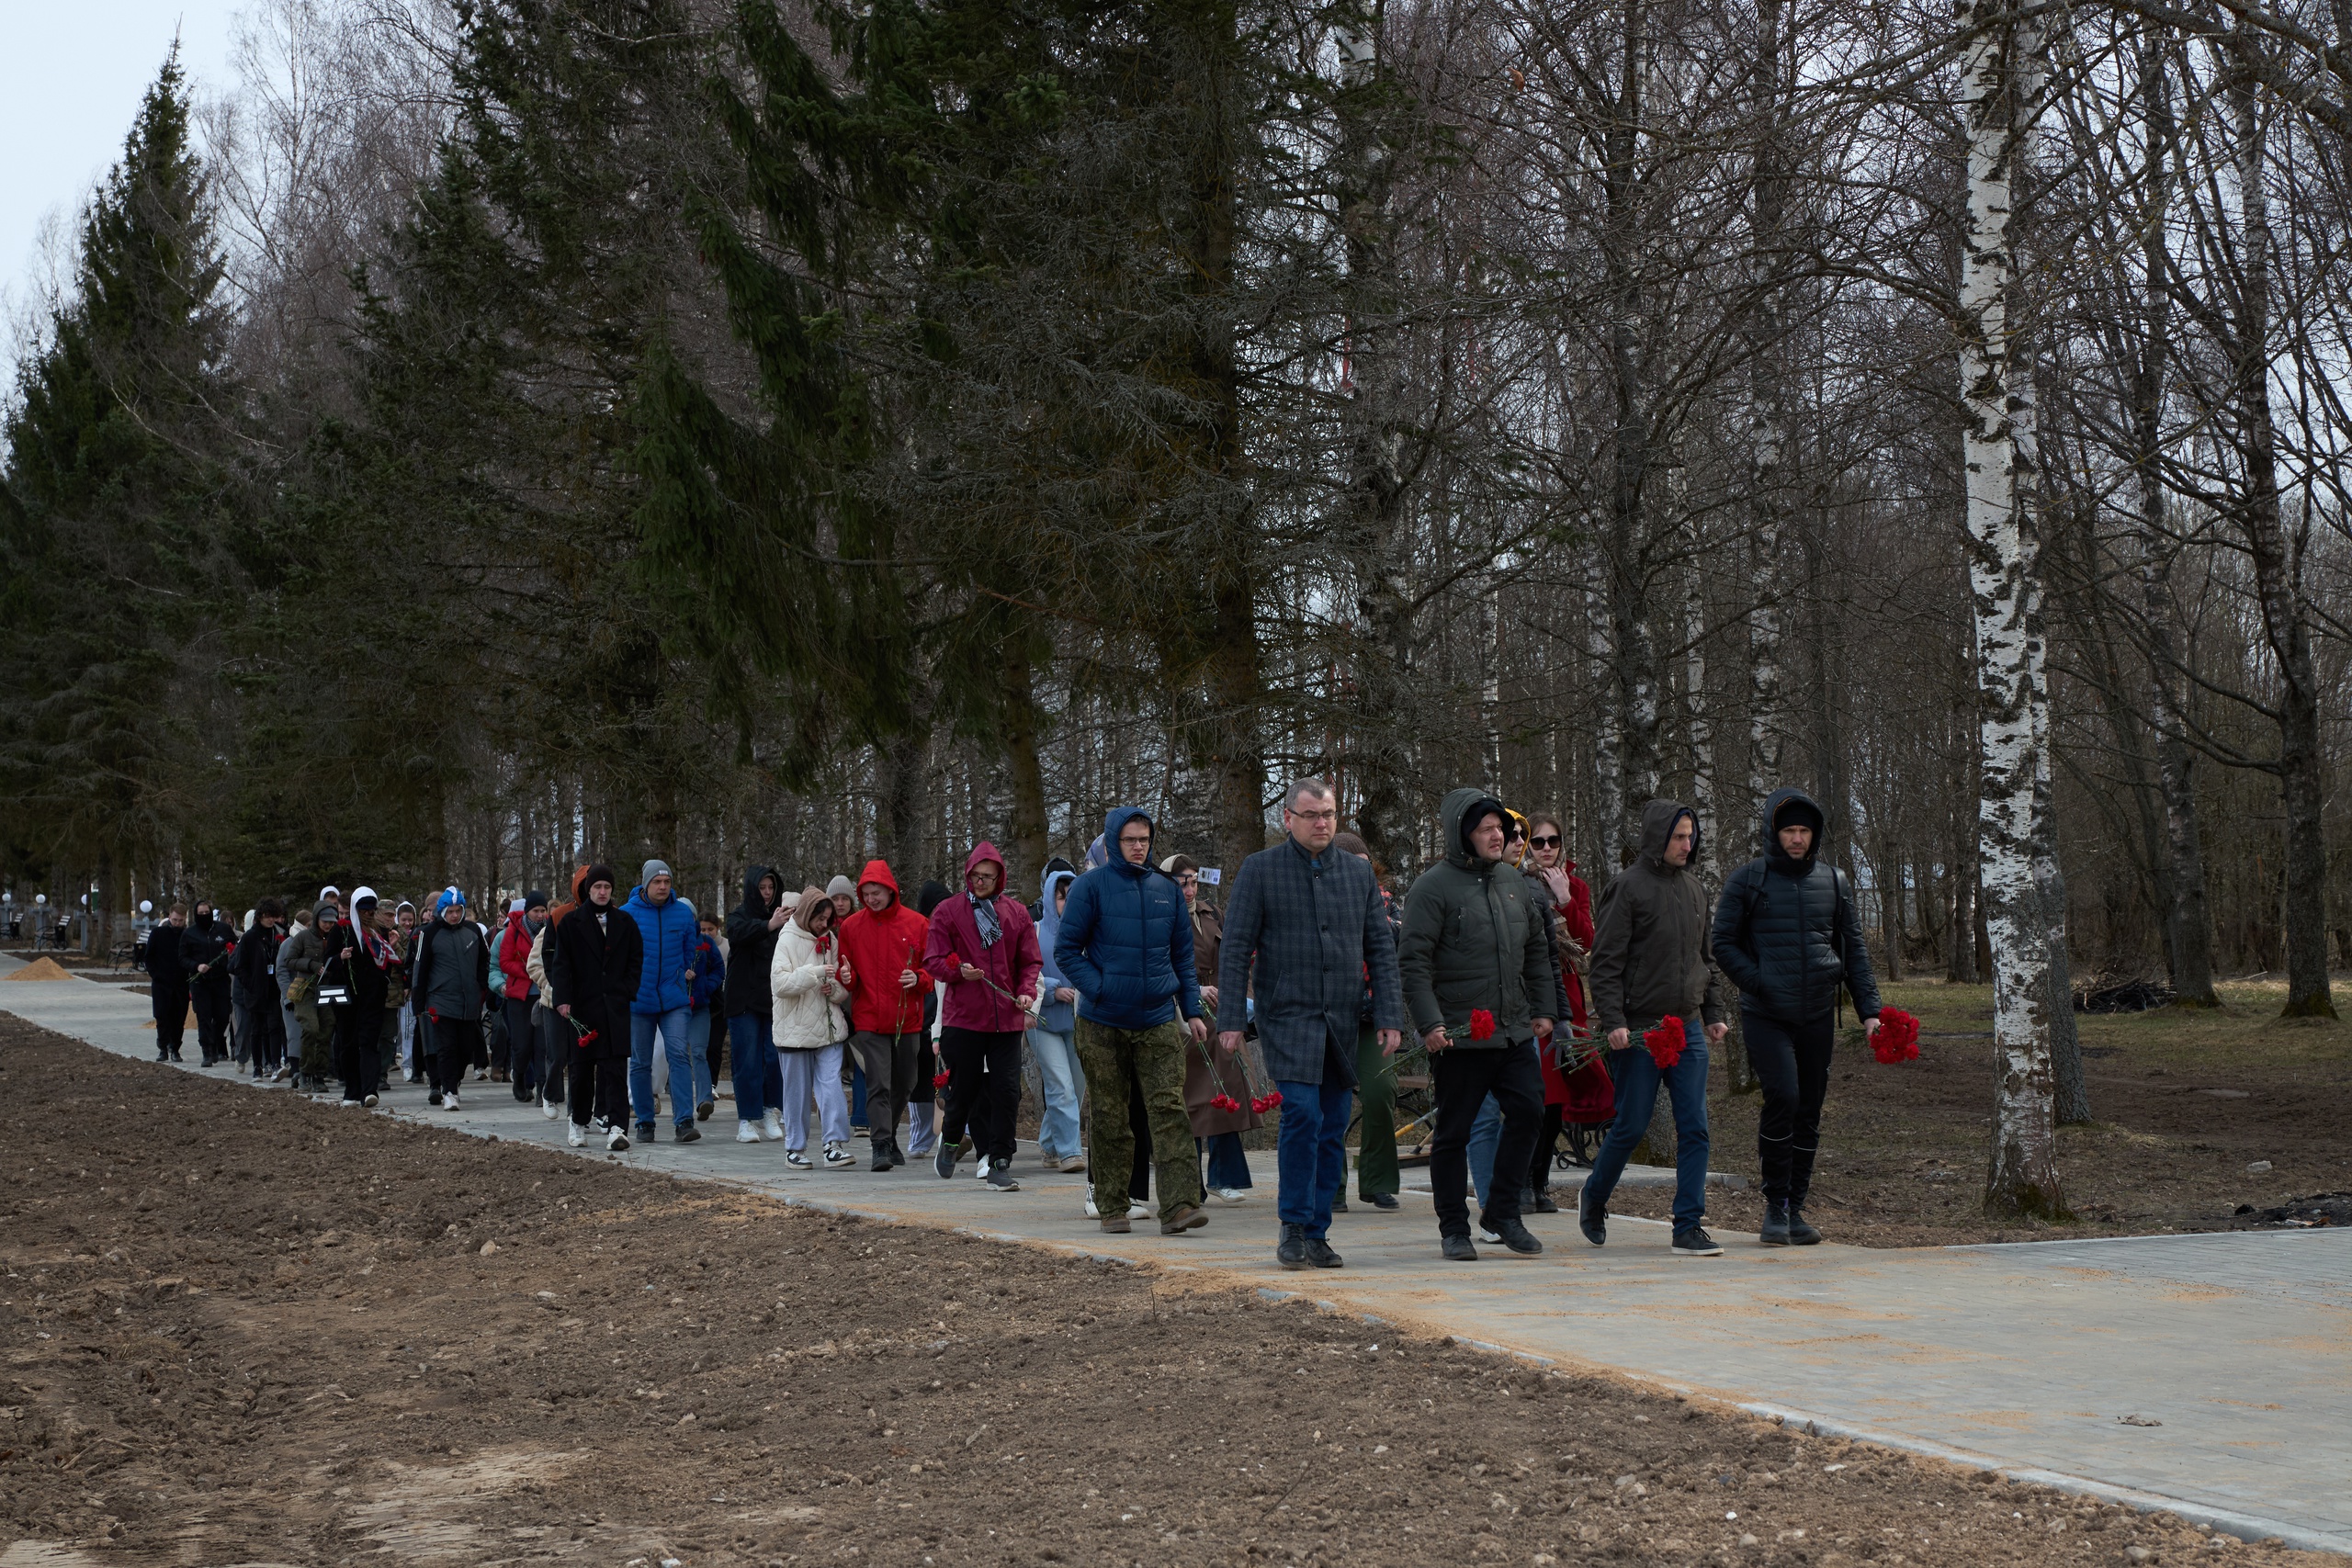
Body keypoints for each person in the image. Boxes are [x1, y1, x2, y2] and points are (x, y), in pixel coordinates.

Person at [1219, 781, 1405, 1269]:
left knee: (1333, 1124)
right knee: (1302, 1114)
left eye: (1329, 814)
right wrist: (1231, 1019)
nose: (1322, 823)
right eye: (1311, 815)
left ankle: (1318, 1232)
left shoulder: (1357, 875)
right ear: (1288, 818)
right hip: (1288, 1015)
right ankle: (1294, 1224)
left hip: (1342, 1019)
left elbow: (1380, 948)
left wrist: (1389, 1015)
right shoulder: (1261, 870)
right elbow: (1235, 947)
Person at [1712, 787, 1883, 1246]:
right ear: (1774, 832)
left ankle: (1795, 1208)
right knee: (1783, 1097)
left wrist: (1870, 1011)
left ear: (1815, 834)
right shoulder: (1748, 880)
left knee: (1808, 1109)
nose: (1797, 838)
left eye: (1804, 830)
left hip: (1817, 1014)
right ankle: (1774, 1205)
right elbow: (1722, 943)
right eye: (1789, 830)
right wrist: (1760, 981)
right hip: (1766, 1013)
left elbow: (1854, 949)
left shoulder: (1835, 882)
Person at [1397, 788, 1556, 1262]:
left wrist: (1544, 1008)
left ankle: (1501, 1213)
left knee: (1529, 1112)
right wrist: (1430, 1023)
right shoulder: (1432, 888)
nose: (1498, 836)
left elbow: (1535, 949)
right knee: (1454, 1132)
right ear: (1462, 834)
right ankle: (1454, 1229)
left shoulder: (1513, 881)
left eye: (1500, 828)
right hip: (1460, 1035)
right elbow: (1413, 962)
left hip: (1513, 1028)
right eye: (1486, 829)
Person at [1583, 799, 1732, 1257]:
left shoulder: (1695, 889)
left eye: (1691, 836)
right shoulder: (1627, 888)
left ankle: (1687, 1225)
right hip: (1640, 1031)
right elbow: (1605, 963)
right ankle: (1595, 1196)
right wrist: (1613, 1021)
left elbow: (1705, 959)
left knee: (1696, 1128)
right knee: (1631, 1126)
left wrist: (1713, 1012)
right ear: (1657, 838)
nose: (1687, 844)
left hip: (1686, 1028)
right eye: (1678, 837)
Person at [1056, 807, 1212, 1238]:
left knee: (1169, 1108)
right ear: (1113, 842)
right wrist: (1101, 988)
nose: (1138, 846)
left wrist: (1192, 1011)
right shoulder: (1090, 888)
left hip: (1157, 1017)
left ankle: (1180, 1206)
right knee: (1110, 1113)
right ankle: (1112, 1205)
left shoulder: (1166, 891)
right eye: (1130, 840)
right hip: (1102, 1021)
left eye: (1144, 839)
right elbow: (1067, 951)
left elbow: (1183, 957)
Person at [924, 842, 1043, 1190]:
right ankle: (950, 1139)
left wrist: (1026, 992)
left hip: (1006, 1018)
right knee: (966, 1089)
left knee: (1007, 1091)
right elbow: (933, 960)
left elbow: (1030, 961)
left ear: (999, 877)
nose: (981, 882)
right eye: (976, 876)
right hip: (964, 1018)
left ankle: (999, 1161)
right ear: (967, 874)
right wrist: (958, 971)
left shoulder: (1016, 914)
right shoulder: (948, 912)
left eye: (988, 877)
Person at [1169, 853, 1260, 1203]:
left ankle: (1224, 1177)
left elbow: (1236, 958)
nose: (1189, 890)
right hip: (1183, 1017)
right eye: (1181, 883)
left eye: (1193, 881)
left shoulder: (1212, 913)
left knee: (1227, 1094)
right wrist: (1192, 989)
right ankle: (1189, 1183)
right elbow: (1160, 963)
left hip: (1222, 1014)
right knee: (1190, 1100)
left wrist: (1244, 998)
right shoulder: (1162, 915)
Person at [833, 859, 931, 1171]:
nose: (871, 899)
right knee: (878, 1082)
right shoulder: (851, 927)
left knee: (906, 1081)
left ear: (891, 891)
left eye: (877, 893)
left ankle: (888, 1136)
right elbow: (848, 975)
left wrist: (919, 978)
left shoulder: (918, 924)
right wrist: (846, 976)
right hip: (869, 1017)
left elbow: (932, 970)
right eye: (866, 894)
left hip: (907, 1018)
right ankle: (880, 1145)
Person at [1330, 832, 1407, 1211]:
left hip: (1373, 1018)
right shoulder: (1322, 897)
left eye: (1365, 867)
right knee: (1330, 1102)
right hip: (1330, 1016)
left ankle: (1376, 1181)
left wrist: (1365, 909)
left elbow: (1395, 939)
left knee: (1380, 1093)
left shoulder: (1386, 902)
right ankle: (1331, 1186)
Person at [547, 864, 642, 1150]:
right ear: (588, 890)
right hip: (583, 1008)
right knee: (581, 1071)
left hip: (615, 1008)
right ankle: (578, 1122)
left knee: (615, 1070)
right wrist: (563, 999)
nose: (602, 892)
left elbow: (636, 960)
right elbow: (560, 965)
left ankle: (617, 1127)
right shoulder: (571, 923)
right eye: (597, 887)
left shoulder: (625, 922)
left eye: (607, 887)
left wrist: (626, 991)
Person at [773, 886, 856, 1166]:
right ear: (807, 914)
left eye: (828, 919)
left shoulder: (830, 939)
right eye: (820, 918)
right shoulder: (786, 939)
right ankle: (795, 1149)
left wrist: (836, 987)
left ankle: (833, 1144)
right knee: (797, 1092)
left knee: (831, 1085)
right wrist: (816, 973)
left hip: (828, 1027)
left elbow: (839, 986)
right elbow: (780, 984)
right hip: (794, 1030)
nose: (824, 924)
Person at [621, 859, 702, 1144]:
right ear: (646, 884)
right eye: (657, 882)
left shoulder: (682, 913)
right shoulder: (626, 914)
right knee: (640, 1062)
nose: (663, 887)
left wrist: (679, 976)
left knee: (679, 1055)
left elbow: (688, 951)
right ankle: (644, 1122)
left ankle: (684, 1122)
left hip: (674, 999)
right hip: (639, 999)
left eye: (667, 882)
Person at [410, 887, 491, 1111]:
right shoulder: (429, 933)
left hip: (468, 1001)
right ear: (442, 911)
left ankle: (454, 1081)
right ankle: (449, 1092)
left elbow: (484, 960)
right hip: (440, 1001)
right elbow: (419, 969)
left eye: (458, 911)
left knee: (465, 1048)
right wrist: (418, 1002)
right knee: (446, 1047)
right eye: (450, 911)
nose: (455, 915)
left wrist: (481, 985)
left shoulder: (473, 930)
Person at [725, 865, 789, 1143]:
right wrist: (769, 925)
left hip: (773, 999)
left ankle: (767, 1110)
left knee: (773, 1059)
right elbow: (738, 933)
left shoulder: (784, 918)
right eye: (762, 888)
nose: (767, 893)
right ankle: (747, 1119)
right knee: (747, 1060)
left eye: (771, 888)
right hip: (743, 1000)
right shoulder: (739, 916)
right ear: (752, 889)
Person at [1028, 868, 1086, 1174]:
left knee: (1076, 1088)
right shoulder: (1034, 931)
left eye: (1071, 897)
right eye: (1061, 897)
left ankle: (1050, 1145)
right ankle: (1070, 1152)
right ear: (1050, 898)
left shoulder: (1086, 931)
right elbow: (1025, 971)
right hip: (1043, 1022)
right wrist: (1053, 990)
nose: (1066, 902)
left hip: (1078, 1022)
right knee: (1060, 1086)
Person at [230, 898, 290, 1081]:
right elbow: (239, 966)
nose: (271, 920)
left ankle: (275, 1063)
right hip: (256, 990)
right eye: (267, 916)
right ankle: (257, 1066)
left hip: (273, 988)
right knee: (257, 1029)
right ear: (259, 917)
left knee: (274, 1027)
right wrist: (251, 984)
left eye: (273, 916)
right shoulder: (250, 937)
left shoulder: (278, 934)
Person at [499, 893, 550, 1102]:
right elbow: (505, 961)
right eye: (536, 911)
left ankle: (542, 1087)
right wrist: (529, 970)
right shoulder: (514, 929)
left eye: (543, 910)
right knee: (522, 1045)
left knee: (542, 1045)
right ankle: (519, 1075)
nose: (540, 915)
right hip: (520, 996)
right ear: (527, 911)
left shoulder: (550, 929)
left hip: (543, 994)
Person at [181, 900, 235, 1067]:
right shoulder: (189, 934)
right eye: (201, 913)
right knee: (204, 1016)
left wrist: (229, 962)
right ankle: (207, 1050)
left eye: (207, 912)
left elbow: (235, 948)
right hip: (200, 982)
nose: (204, 915)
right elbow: (182, 958)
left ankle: (215, 1041)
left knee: (223, 1015)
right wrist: (196, 966)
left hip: (220, 980)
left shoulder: (223, 929)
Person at [687, 911, 726, 1121]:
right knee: (677, 1056)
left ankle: (704, 1100)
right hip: (673, 1006)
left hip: (700, 1006)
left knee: (699, 1052)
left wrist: (705, 987)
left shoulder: (705, 942)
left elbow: (719, 969)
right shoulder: (668, 940)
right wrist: (680, 974)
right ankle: (682, 1104)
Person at [144, 901, 190, 1063]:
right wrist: (156, 975)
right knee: (162, 1016)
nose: (177, 923)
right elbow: (149, 957)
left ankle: (175, 1048)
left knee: (179, 1018)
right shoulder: (158, 933)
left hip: (181, 983)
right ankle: (163, 1048)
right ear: (169, 917)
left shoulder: (187, 935)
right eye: (175, 920)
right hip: (161, 983)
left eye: (181, 920)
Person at [391, 900, 422, 1080]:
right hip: (394, 987)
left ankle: (408, 1063)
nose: (407, 923)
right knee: (394, 1028)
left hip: (408, 988)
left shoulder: (417, 936)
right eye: (404, 920)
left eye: (410, 920)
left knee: (408, 1027)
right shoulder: (393, 934)